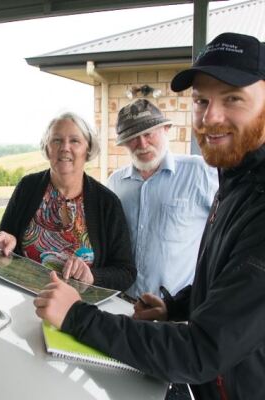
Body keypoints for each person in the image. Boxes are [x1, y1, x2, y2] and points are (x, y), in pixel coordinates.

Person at [34, 32, 265, 400]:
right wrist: (175, 306)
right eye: (201, 100)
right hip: (154, 333)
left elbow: (201, 350)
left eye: (233, 98)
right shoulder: (231, 179)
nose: (211, 116)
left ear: (166, 132)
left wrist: (78, 317)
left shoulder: (209, 177)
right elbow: (226, 274)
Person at [0, 111, 136, 290]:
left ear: (88, 148)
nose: (65, 147)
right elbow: (3, 241)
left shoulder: (107, 202)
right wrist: (6, 240)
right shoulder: (28, 187)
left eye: (74, 140)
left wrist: (93, 276)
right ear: (47, 148)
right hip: (26, 299)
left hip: (80, 311)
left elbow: (126, 272)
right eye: (57, 140)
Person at [107, 99, 217, 298]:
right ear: (124, 143)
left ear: (166, 129)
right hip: (122, 304)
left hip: (176, 311)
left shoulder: (201, 173)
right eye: (132, 137)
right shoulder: (115, 183)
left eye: (148, 133)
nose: (142, 144)